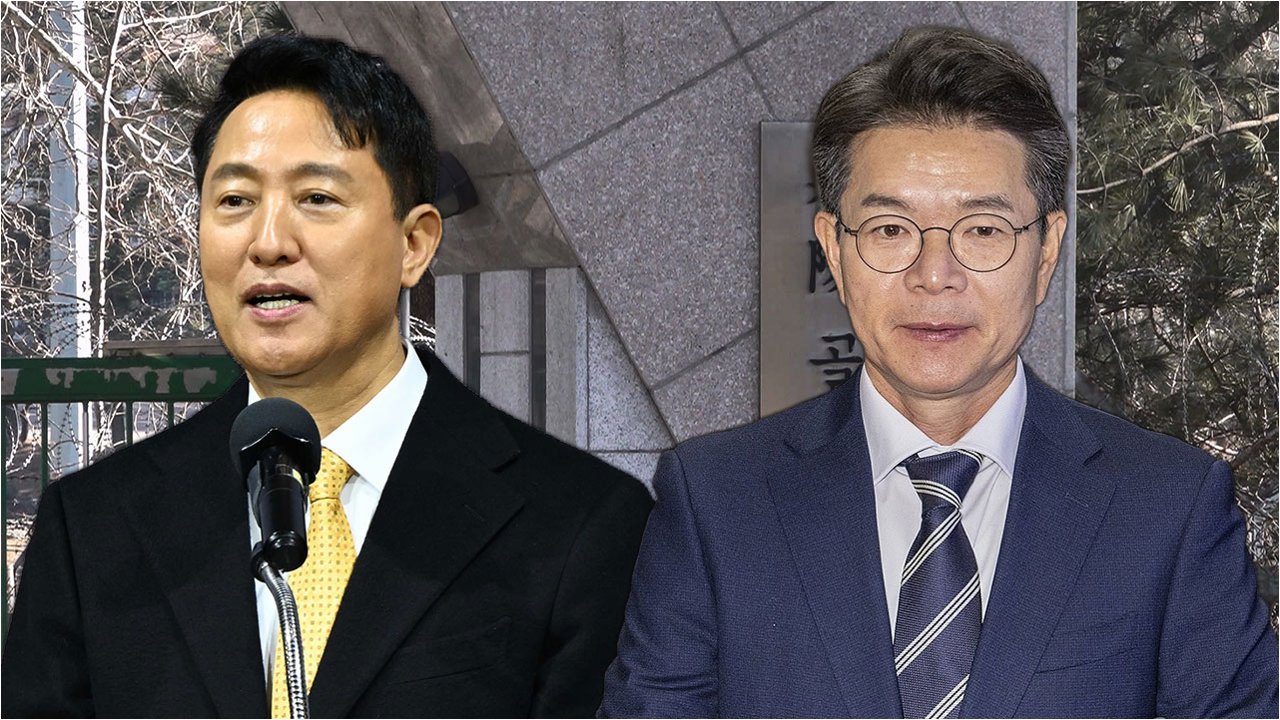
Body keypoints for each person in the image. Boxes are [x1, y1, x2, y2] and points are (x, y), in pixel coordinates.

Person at [601, 26, 1277, 719]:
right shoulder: (717, 504)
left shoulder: (1168, 509)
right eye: (890, 230)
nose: (934, 275)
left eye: (982, 230)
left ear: (1046, 251)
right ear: (835, 250)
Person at [3, 34, 653, 718]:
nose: (269, 243)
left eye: (316, 197)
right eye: (234, 201)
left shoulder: (581, 524)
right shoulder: (92, 528)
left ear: (414, 243)